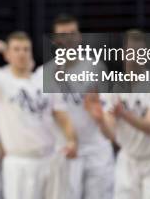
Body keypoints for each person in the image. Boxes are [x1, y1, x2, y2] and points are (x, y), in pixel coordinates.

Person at [0, 6, 77, 199]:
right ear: (7, 54)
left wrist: (71, 140)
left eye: (26, 49)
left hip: (50, 159)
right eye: (16, 49)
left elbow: (62, 116)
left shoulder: (44, 78)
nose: (22, 53)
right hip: (20, 163)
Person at [86, 30, 150, 199]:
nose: (135, 57)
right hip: (128, 160)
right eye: (131, 51)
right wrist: (99, 119)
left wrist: (124, 114)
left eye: (140, 52)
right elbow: (111, 133)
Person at [43, 13, 115, 199]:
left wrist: (101, 120)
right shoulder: (45, 74)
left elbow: (108, 115)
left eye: (72, 33)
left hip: (96, 149)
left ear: (79, 36)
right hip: (65, 150)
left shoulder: (96, 67)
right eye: (62, 35)